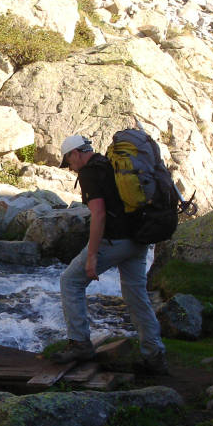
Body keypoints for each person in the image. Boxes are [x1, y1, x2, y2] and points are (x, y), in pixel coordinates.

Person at [53, 133, 168, 374]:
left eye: (69, 161)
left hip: (115, 241)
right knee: (136, 295)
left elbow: (99, 215)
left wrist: (93, 255)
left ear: (76, 153)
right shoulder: (111, 164)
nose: (71, 167)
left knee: (70, 281)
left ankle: (80, 344)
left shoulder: (89, 173)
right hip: (138, 240)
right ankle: (154, 354)